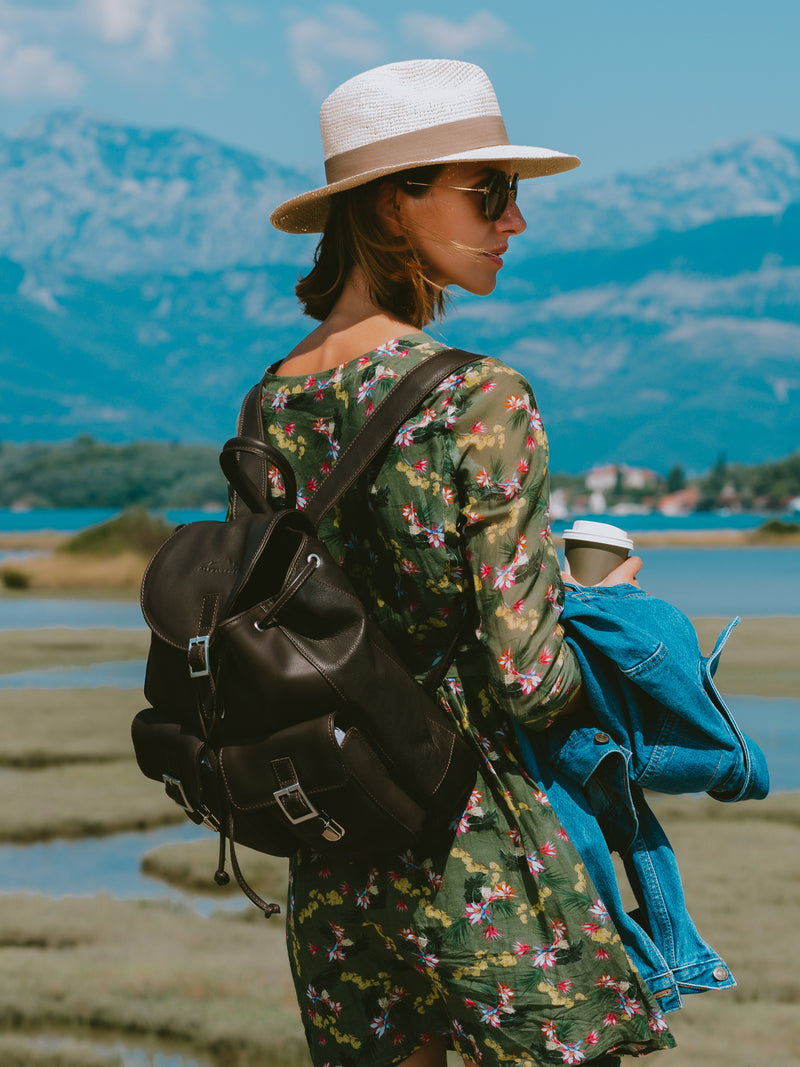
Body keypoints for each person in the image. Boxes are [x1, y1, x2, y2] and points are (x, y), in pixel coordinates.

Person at [263, 59, 675, 1067]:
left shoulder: (271, 400)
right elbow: (526, 673)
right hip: (478, 849)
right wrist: (638, 676)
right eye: (486, 194)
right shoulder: (479, 397)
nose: (513, 222)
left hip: (337, 845)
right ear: (392, 207)